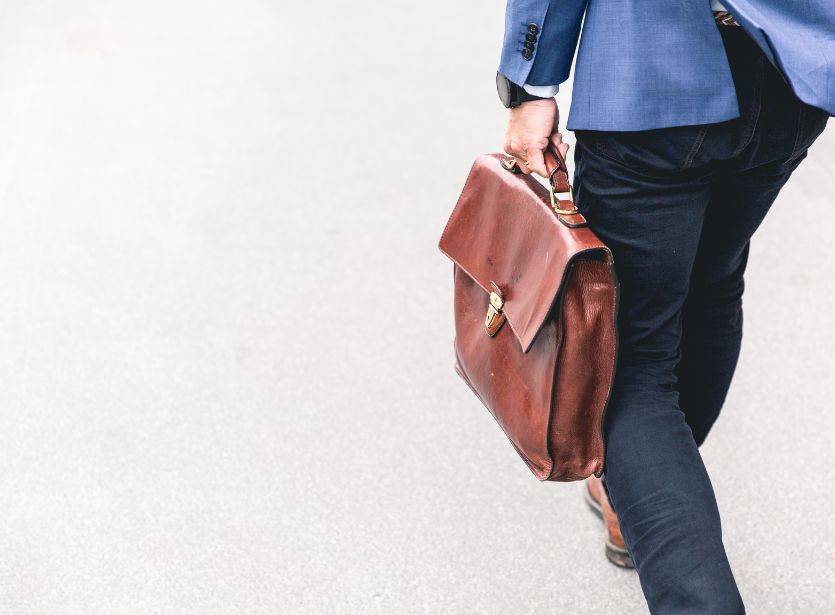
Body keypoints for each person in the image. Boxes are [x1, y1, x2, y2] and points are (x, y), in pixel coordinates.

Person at [496, 1, 833, 613]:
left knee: (629, 361)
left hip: (650, 71)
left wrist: (530, 83)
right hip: (795, 74)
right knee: (713, 282)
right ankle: (639, 492)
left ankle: (661, 525)